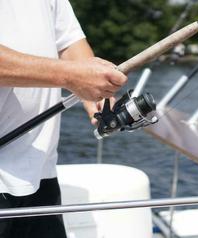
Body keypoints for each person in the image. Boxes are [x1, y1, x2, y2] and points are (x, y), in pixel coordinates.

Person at [0, 0, 128, 237]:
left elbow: (69, 44)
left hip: (42, 175)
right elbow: (72, 71)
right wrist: (70, 77)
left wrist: (99, 99)